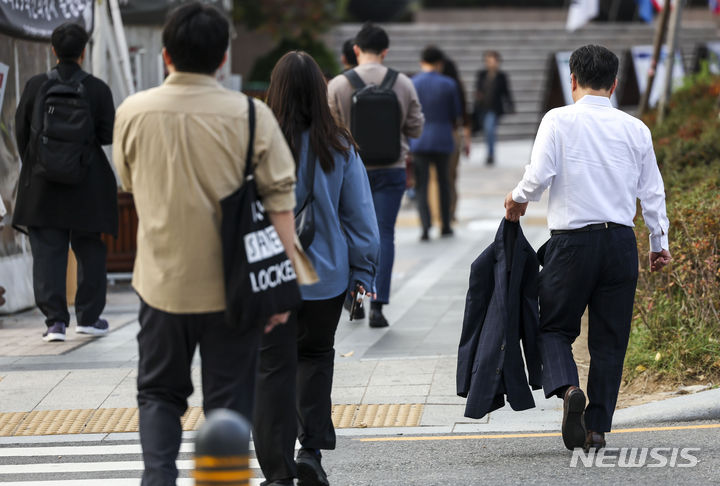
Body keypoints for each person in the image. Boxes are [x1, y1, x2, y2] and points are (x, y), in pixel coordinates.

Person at [112, 4, 297, 484]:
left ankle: (157, 477)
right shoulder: (252, 116)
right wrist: (280, 289)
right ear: (223, 58)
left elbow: (128, 183)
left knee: (158, 392)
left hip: (161, 285)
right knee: (230, 398)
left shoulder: (132, 111)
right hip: (233, 288)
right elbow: (281, 204)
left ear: (166, 54)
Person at [504, 44, 671, 452]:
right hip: (619, 243)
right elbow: (652, 192)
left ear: (572, 80)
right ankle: (596, 429)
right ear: (615, 84)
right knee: (610, 340)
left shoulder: (558, 120)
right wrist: (658, 241)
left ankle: (567, 389)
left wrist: (517, 199)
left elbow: (540, 175)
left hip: (571, 244)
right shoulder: (636, 129)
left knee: (553, 326)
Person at [254, 51, 379, 486]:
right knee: (315, 359)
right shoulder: (340, 145)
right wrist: (364, 274)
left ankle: (277, 470)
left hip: (269, 278)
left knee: (271, 368)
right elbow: (361, 218)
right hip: (326, 279)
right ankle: (310, 450)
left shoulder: (255, 144)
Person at [13, 23, 117, 342]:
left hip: (43, 185)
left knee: (47, 252)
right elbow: (108, 134)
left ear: (53, 50)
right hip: (87, 182)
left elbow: (21, 131)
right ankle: (89, 316)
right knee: (89, 248)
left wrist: (42, 161)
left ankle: (55, 322)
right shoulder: (98, 89)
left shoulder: (35, 86)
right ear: (84, 52)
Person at [328, 23, 424, 328]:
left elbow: (328, 132)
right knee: (384, 235)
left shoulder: (338, 85)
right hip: (391, 170)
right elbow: (416, 128)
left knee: (347, 234)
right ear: (385, 52)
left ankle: (354, 299)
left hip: (349, 169)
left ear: (355, 50)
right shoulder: (403, 83)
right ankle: (378, 307)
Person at [410, 46, 461, 241]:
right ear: (440, 63)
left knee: (421, 185)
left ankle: (425, 226)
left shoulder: (413, 83)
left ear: (422, 61)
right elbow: (455, 114)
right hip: (442, 139)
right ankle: (445, 224)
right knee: (444, 182)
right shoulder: (448, 84)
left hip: (420, 139)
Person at [442, 55, 472, 222]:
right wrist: (467, 140)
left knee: (438, 177)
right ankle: (451, 212)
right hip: (454, 134)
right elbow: (464, 115)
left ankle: (441, 213)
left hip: (440, 135)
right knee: (452, 177)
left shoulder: (444, 86)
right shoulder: (457, 86)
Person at [474, 51, 513, 165]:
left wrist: (510, 105)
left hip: (494, 108)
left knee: (490, 130)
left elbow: (506, 92)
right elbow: (478, 90)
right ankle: (489, 152)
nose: (490, 64)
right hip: (481, 107)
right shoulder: (481, 74)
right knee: (487, 130)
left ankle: (490, 154)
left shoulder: (501, 76)